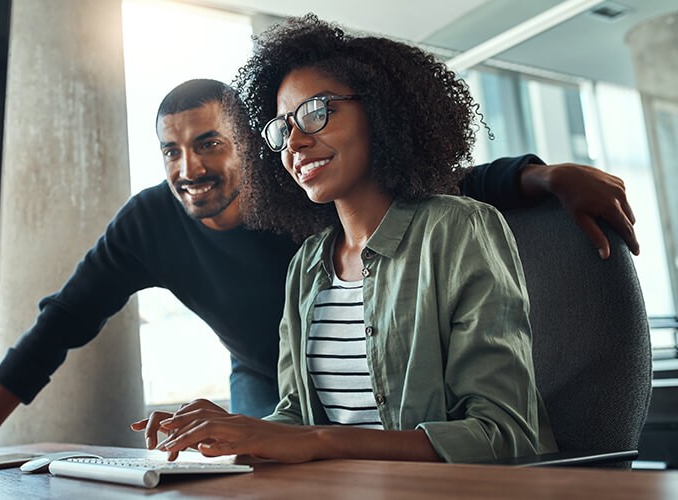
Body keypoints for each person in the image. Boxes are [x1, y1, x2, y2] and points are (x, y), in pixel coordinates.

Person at [0, 67, 634, 466]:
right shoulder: (150, 222)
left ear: (250, 141)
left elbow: (443, 186)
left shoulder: (309, 193)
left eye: (209, 142)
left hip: (396, 375)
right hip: (273, 380)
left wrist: (543, 176)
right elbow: (63, 321)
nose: (189, 166)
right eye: (171, 149)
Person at [131, 14, 559, 464]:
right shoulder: (307, 264)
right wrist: (229, 433)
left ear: (378, 110)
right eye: (282, 128)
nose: (294, 141)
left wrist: (321, 441)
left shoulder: (458, 230)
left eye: (316, 112)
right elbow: (297, 419)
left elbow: (504, 436)